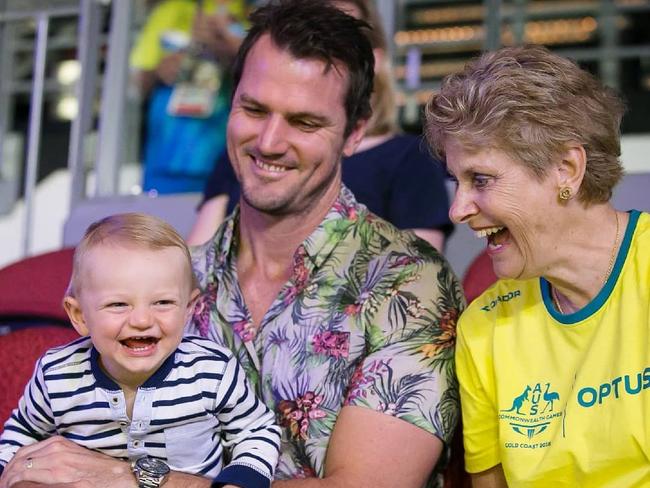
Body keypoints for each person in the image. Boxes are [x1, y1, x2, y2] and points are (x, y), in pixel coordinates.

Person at [425, 44, 650, 487]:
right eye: (457, 181)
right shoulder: (484, 327)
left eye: (481, 180)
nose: (458, 209)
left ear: (567, 169)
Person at [0, 213, 280, 488]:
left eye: (162, 302)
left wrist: (241, 482)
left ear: (188, 309)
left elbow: (256, 430)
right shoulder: (57, 374)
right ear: (80, 316)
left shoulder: (211, 370)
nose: (142, 320)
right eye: (119, 304)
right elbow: (23, 432)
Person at [186, 0, 453, 252]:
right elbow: (196, 266)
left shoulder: (408, 159)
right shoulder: (246, 151)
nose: (269, 143)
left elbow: (417, 275)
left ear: (375, 59)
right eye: (255, 110)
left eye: (304, 123)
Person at [130, 0, 251, 194]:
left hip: (229, 161)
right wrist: (160, 70)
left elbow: (269, 72)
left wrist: (227, 44)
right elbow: (137, 84)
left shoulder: (249, 12)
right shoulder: (171, 10)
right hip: (167, 158)